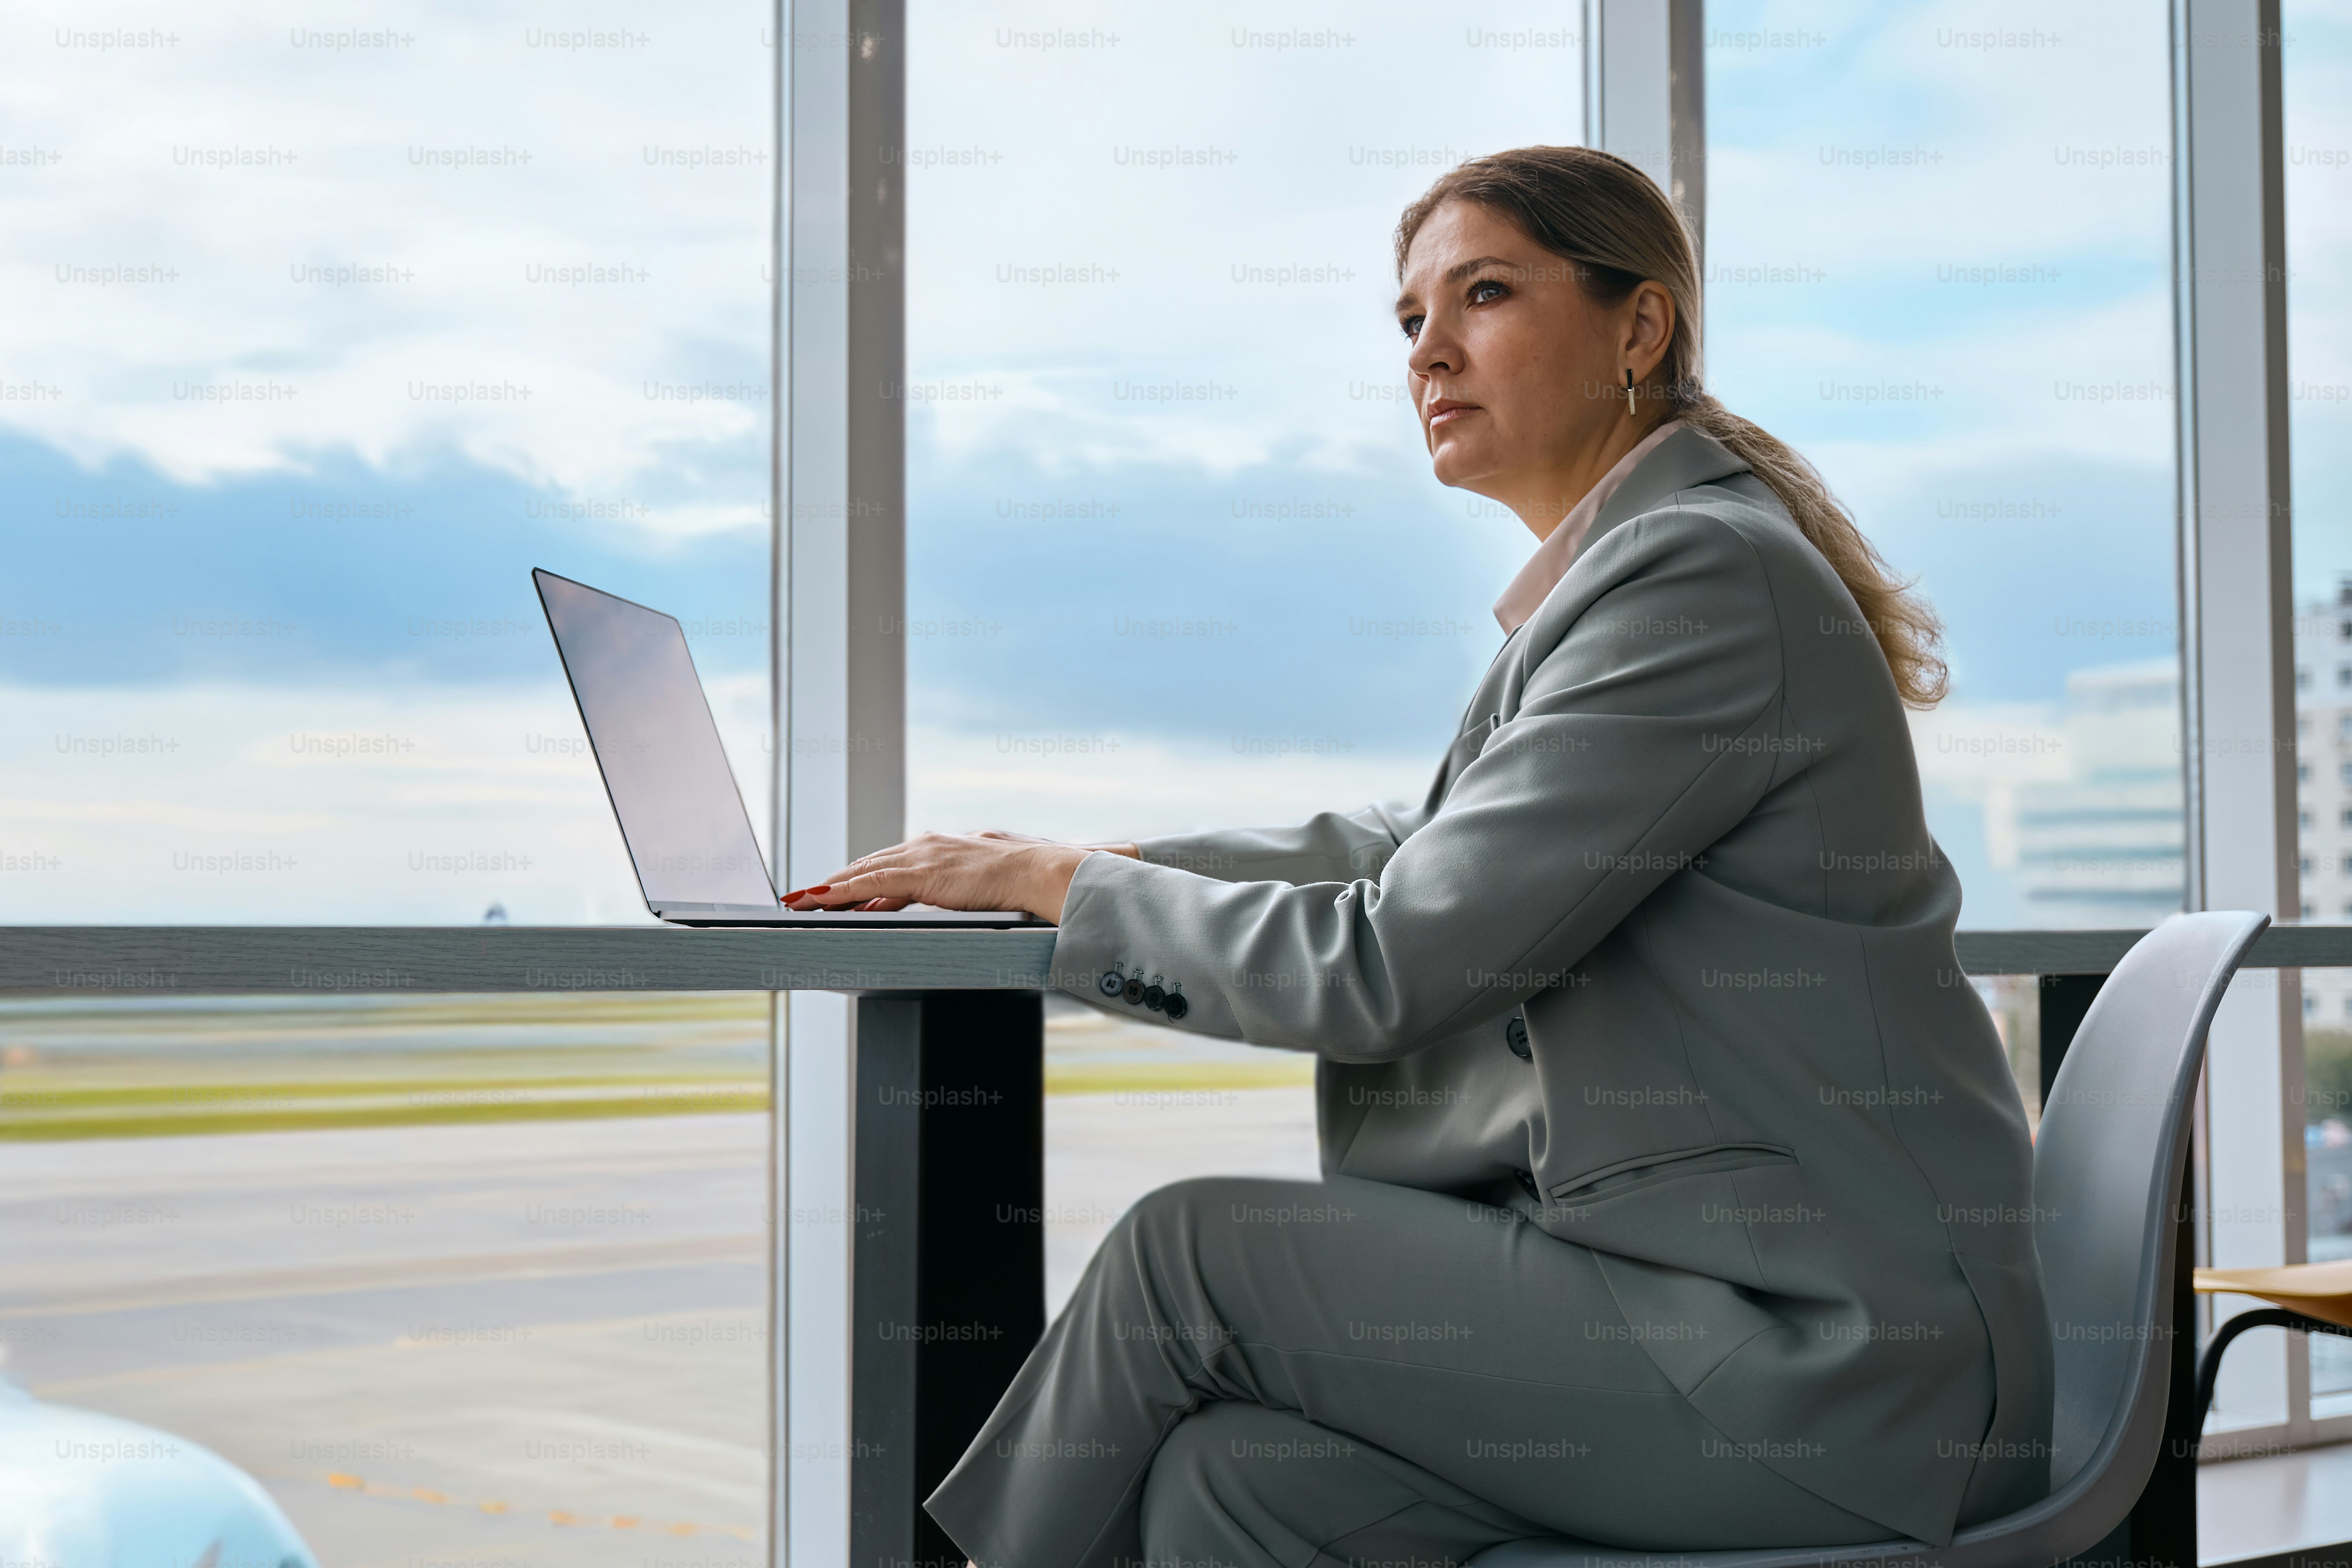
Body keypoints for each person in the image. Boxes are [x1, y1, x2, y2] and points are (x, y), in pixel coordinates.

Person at [783, 145, 2052, 1568]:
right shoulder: (1647, 574)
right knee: (1235, 1480)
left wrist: (1064, 892)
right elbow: (1414, 843)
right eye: (1409, 321)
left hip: (1841, 1375)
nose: (1429, 352)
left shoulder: (1703, 575)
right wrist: (1098, 857)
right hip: (1727, 1323)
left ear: (1642, 328)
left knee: (1182, 1258)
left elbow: (1397, 956)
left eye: (1486, 294)